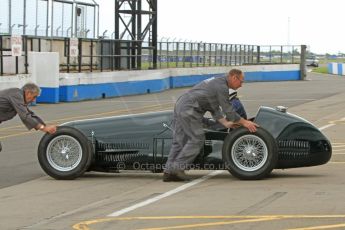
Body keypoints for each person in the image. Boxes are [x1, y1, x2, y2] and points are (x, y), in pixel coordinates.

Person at [163, 69, 258, 182]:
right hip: (189, 109)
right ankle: (177, 169)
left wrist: (226, 123)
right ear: (234, 78)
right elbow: (229, 110)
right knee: (197, 138)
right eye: (241, 81)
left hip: (182, 105)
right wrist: (245, 122)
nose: (241, 85)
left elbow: (214, 107)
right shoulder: (222, 87)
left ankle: (168, 172)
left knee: (179, 141)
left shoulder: (217, 82)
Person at [0, 83, 57, 152]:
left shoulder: (18, 97)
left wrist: (45, 126)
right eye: (34, 97)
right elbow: (25, 116)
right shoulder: (16, 95)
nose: (33, 100)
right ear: (28, 93)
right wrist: (43, 128)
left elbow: (30, 114)